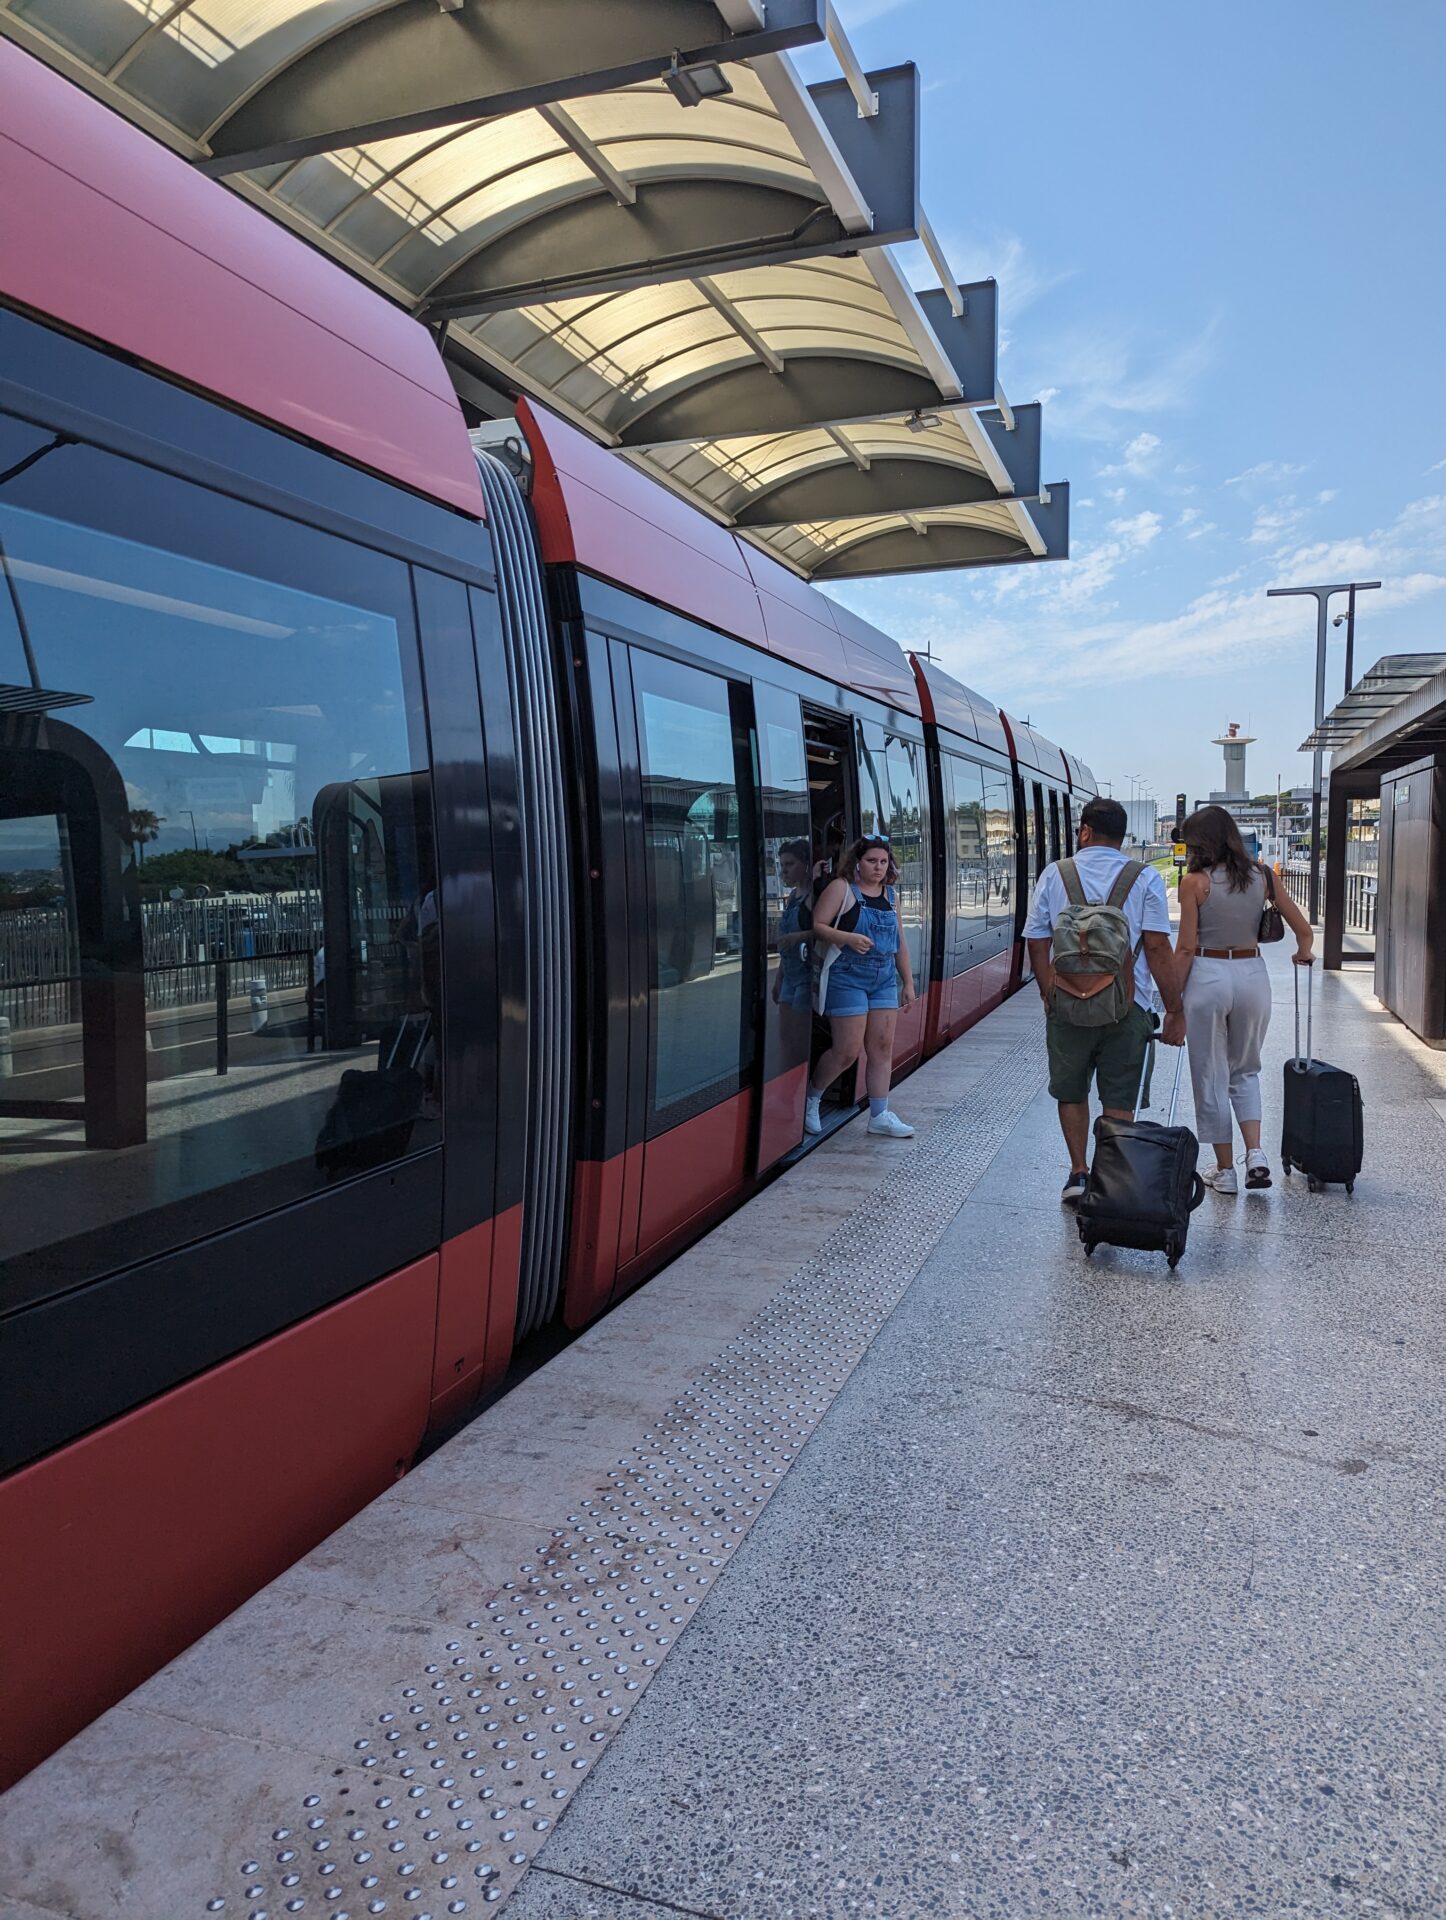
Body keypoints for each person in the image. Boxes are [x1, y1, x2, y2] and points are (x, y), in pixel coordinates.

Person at [1024, 795, 1185, 1205]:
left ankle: (1077, 1172)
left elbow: (1037, 941)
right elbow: (1156, 948)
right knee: (1118, 1096)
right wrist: (1174, 1010)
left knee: (1071, 1090)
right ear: (1121, 835)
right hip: (1128, 1006)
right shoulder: (1144, 877)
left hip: (1067, 1004)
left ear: (1085, 831)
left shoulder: (1054, 874)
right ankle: (1109, 1177)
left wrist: (1049, 993)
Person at [1175, 804, 1313, 1193]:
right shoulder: (1263, 877)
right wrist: (1303, 952)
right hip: (1252, 975)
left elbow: (1185, 949)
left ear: (1201, 844)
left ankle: (1225, 1170)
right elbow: (1302, 929)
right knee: (1246, 1069)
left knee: (1211, 1074)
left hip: (1208, 974)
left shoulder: (1195, 884)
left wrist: (1171, 1000)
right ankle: (1255, 1154)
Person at [805, 835, 916, 1139]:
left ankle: (879, 1115)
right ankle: (812, 1098)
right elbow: (816, 925)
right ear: (857, 862)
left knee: (881, 1048)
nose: (878, 867)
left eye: (883, 862)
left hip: (883, 980)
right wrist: (847, 938)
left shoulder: (891, 896)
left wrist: (907, 981)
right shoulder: (842, 889)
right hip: (847, 976)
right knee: (847, 1050)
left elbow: (899, 943)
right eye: (871, 861)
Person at [771, 838, 816, 1058]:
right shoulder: (792, 896)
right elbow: (786, 945)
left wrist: (799, 936)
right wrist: (778, 977)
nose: (784, 871)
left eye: (790, 864)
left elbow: (826, 931)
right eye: (782, 865)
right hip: (789, 974)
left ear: (805, 864)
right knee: (785, 1035)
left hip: (807, 975)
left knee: (799, 1036)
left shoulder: (814, 896)